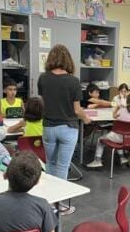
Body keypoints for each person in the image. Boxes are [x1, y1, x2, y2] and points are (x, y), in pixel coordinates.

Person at [38, 44, 91, 214]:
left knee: (51, 164)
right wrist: (86, 118)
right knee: (62, 167)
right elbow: (77, 110)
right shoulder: (73, 81)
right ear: (68, 60)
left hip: (48, 127)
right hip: (68, 128)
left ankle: (49, 203)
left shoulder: (43, 78)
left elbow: (44, 103)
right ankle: (60, 205)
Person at [87, 93, 130, 168]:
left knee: (100, 139)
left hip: (117, 137)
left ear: (127, 101)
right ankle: (122, 157)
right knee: (119, 136)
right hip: (129, 139)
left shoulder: (121, 111)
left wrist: (117, 107)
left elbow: (114, 116)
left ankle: (97, 160)